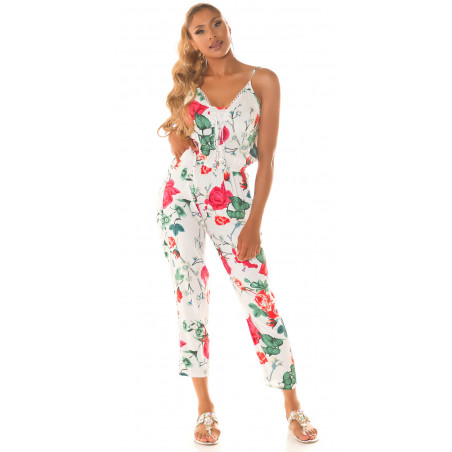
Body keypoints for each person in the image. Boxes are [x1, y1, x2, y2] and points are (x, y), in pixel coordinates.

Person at [155, 3, 318, 445]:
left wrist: (254, 224)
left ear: (228, 26)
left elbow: (267, 160)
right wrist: (182, 136)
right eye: (200, 31)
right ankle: (204, 408)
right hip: (181, 198)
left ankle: (293, 405)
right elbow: (180, 146)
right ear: (192, 42)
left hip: (234, 201)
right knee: (190, 295)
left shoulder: (263, 80)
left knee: (257, 296)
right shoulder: (189, 87)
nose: (212, 35)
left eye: (216, 25)